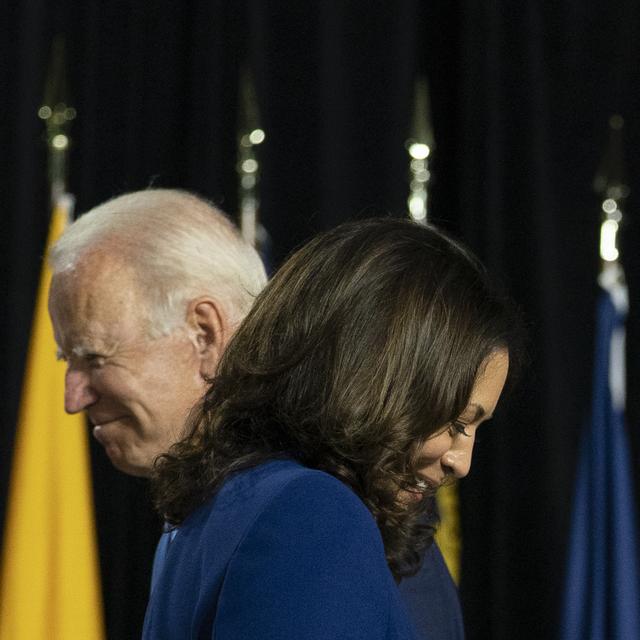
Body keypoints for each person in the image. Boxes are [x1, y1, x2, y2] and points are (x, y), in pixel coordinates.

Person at [144, 217, 518, 639]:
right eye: (454, 422)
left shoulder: (230, 498)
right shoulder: (310, 515)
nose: (461, 462)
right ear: (371, 380)